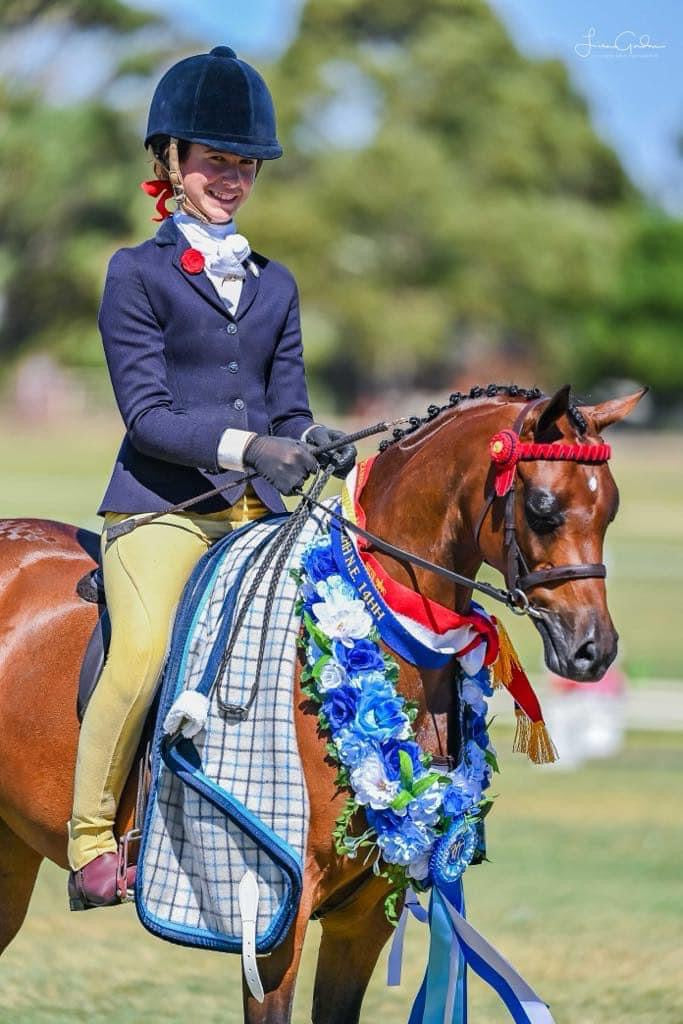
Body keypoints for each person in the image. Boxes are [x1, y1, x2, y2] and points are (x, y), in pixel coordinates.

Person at [67, 45, 356, 910]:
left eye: (243, 165)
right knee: (146, 651)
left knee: (337, 638)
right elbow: (147, 415)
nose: (230, 178)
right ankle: (89, 836)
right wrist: (248, 448)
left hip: (256, 517)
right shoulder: (136, 272)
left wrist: (313, 436)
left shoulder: (276, 285)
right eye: (213, 161)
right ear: (171, 164)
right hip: (161, 512)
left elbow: (287, 406)